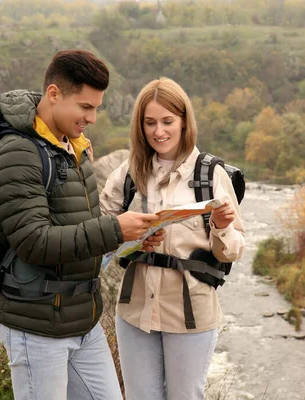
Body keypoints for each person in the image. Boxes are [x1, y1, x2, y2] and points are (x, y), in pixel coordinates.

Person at [0, 49, 161, 400]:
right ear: (54, 94)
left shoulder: (72, 146)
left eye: (96, 107)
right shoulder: (17, 153)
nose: (92, 118)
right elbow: (35, 242)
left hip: (82, 320)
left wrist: (129, 239)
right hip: (35, 325)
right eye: (85, 107)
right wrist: (115, 229)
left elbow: (77, 228)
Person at [100, 77, 245, 400]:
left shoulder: (211, 175)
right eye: (149, 123)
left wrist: (221, 226)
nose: (158, 131)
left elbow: (233, 250)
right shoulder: (128, 172)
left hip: (191, 313)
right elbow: (99, 234)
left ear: (183, 122)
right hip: (134, 309)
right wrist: (129, 238)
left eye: (167, 121)